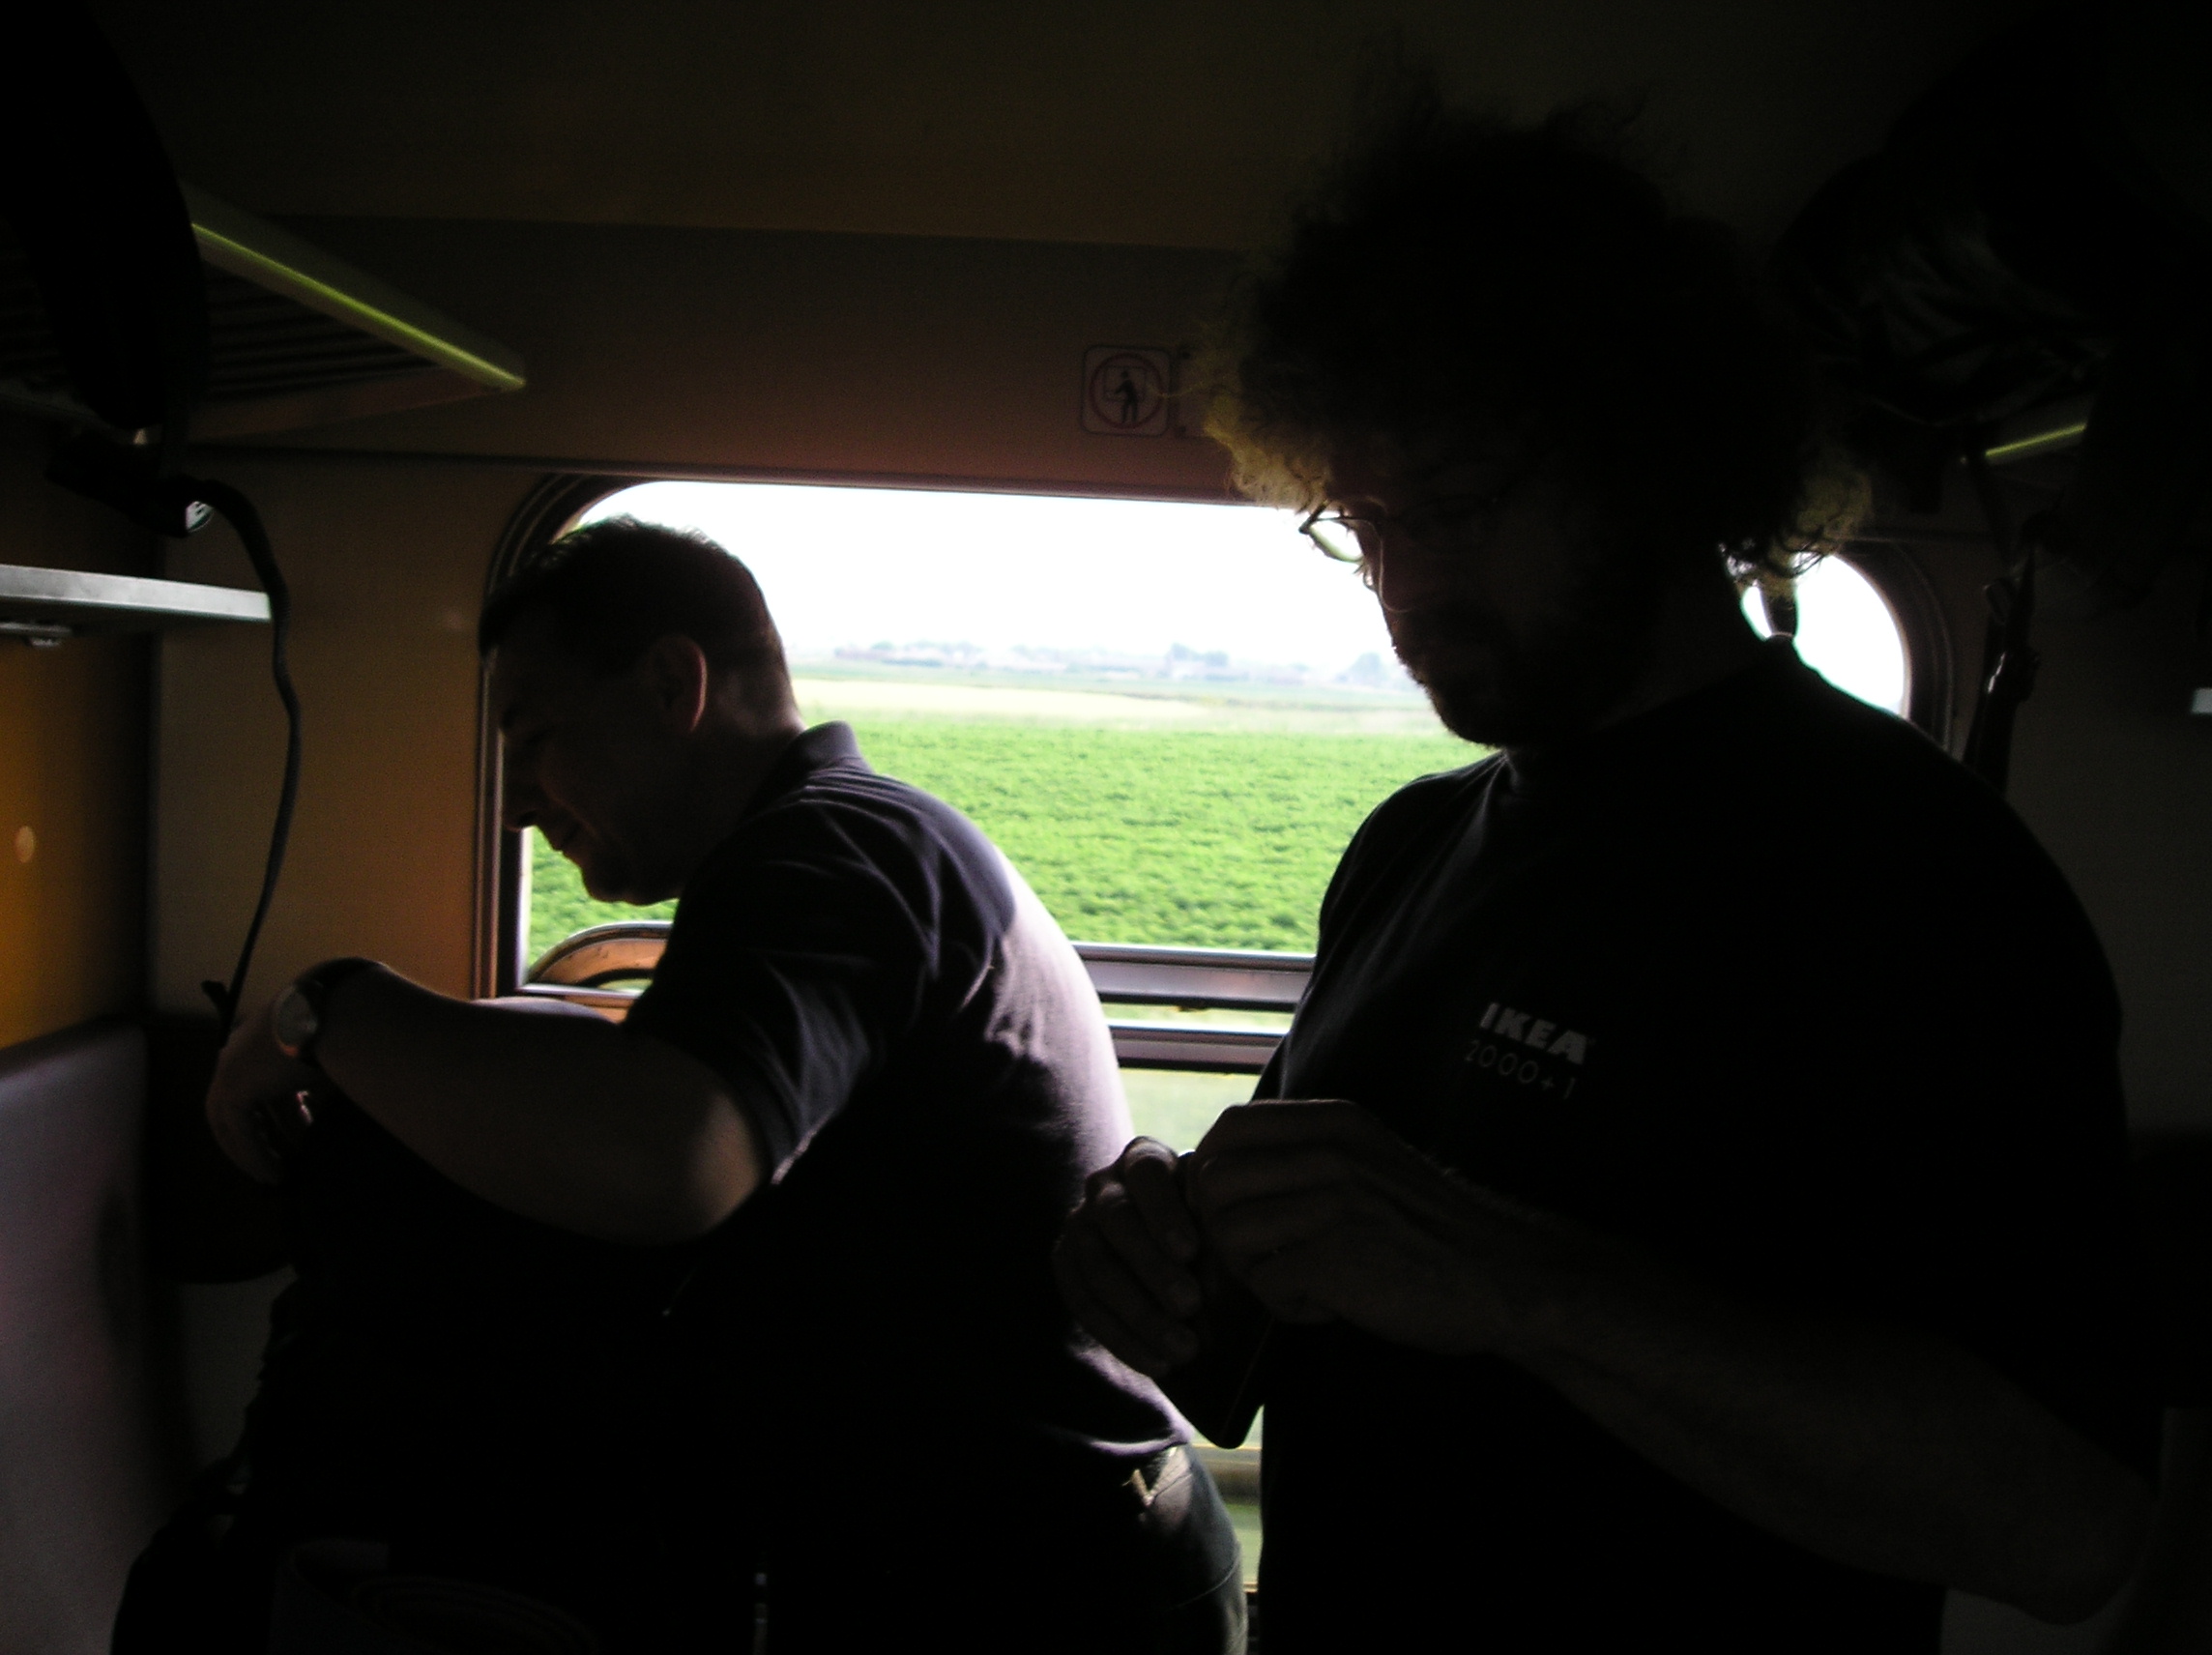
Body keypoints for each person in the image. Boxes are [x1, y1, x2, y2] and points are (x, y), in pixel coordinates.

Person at [1054, 104, 2160, 1653]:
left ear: (1656, 461)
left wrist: (1523, 1285)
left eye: (1461, 507)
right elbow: (1287, 1320)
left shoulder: (1917, 877)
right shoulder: (1411, 845)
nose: (1408, 588)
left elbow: (2066, 1524)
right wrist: (1168, 1259)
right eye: (1366, 522)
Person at [128, 519, 1243, 1654]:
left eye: (537, 736)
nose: (513, 803)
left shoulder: (825, 853)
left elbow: (666, 1155)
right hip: (980, 1547)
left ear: (672, 684)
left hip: (1038, 1583)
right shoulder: (839, 840)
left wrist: (329, 1007)